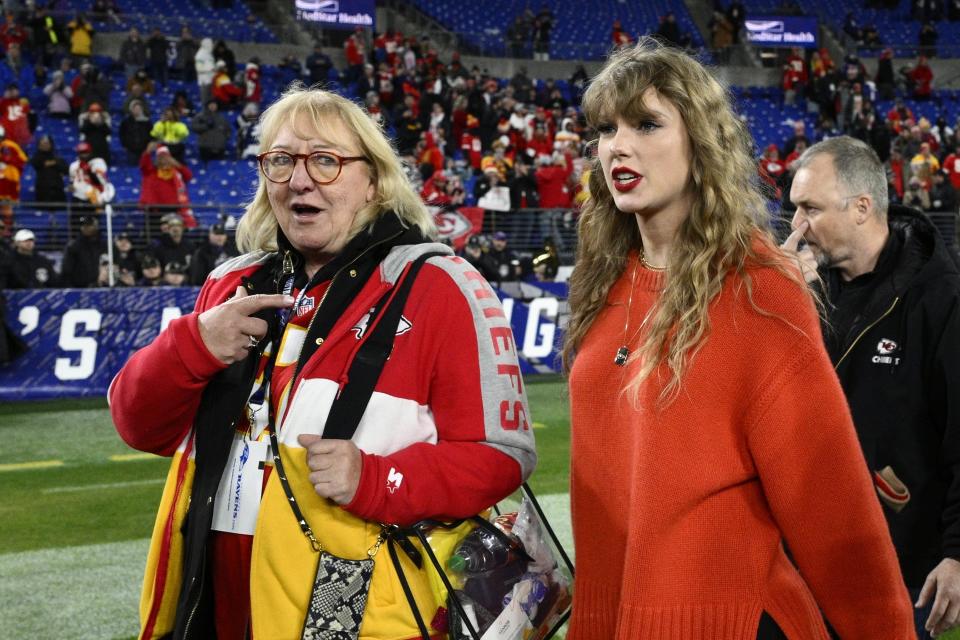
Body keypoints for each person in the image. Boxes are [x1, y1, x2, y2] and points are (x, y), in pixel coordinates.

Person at [109, 85, 536, 640]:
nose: (300, 180)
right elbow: (137, 424)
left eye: (326, 161)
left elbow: (503, 455)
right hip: (212, 593)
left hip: (355, 607)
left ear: (375, 182)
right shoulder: (230, 284)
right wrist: (192, 345)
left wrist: (377, 479)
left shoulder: (441, 285)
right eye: (281, 161)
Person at [561, 39, 914, 639]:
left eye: (647, 124)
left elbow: (831, 503)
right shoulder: (601, 283)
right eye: (606, 129)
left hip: (733, 623)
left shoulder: (759, 290)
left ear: (700, 142)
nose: (618, 145)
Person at [785, 136, 960, 638]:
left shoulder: (941, 301)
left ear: (862, 207)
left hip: (900, 567)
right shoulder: (803, 286)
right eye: (795, 208)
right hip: (803, 557)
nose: (797, 225)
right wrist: (780, 306)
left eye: (810, 208)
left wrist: (956, 555)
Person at [140, 143, 195, 235]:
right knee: (153, 235)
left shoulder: (176, 174)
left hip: (173, 209)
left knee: (172, 234)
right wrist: (148, 152)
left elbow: (188, 176)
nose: (164, 161)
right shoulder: (151, 172)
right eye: (161, 158)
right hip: (155, 210)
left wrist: (177, 165)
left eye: (166, 158)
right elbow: (144, 165)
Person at [68, 141, 113, 221]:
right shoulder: (73, 166)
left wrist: (89, 170)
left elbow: (101, 182)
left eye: (85, 152)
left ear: (90, 152)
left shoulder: (98, 162)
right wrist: (71, 187)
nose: (83, 155)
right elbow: (72, 182)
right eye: (81, 153)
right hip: (78, 198)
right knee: (75, 223)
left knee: (93, 223)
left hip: (94, 197)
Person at [61, 214, 106, 288]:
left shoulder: (104, 245)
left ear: (96, 226)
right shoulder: (74, 246)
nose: (86, 228)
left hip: (100, 287)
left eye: (89, 225)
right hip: (80, 288)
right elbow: (66, 271)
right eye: (84, 225)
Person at [29, 135, 68, 208]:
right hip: (43, 190)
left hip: (57, 189)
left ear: (51, 144)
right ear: (39, 145)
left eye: (47, 143)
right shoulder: (36, 156)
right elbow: (36, 163)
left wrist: (54, 163)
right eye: (42, 144)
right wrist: (54, 163)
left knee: (59, 211)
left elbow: (65, 169)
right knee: (43, 211)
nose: (45, 146)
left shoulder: (57, 156)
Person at [0, 124, 27, 230]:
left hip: (8, 181)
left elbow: (22, 160)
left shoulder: (11, 146)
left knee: (7, 207)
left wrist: (8, 159)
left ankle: (7, 230)